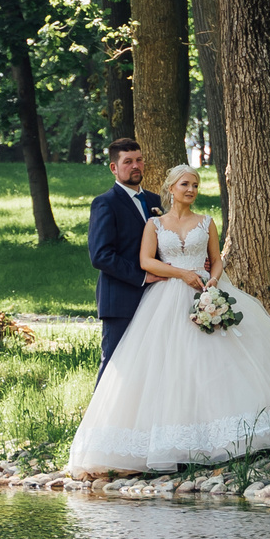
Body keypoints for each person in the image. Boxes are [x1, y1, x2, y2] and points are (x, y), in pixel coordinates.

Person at [65, 163, 270, 473]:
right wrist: (181, 273)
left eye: (195, 185)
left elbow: (217, 259)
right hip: (168, 296)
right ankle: (169, 442)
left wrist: (213, 280)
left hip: (205, 290)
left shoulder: (206, 222)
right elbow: (146, 261)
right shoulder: (154, 224)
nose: (191, 190)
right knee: (172, 364)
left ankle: (228, 434)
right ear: (171, 188)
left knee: (216, 359)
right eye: (185, 184)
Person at [87, 138, 161, 371]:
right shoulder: (105, 203)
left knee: (150, 365)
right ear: (114, 167)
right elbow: (101, 255)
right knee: (115, 366)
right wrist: (143, 276)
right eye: (128, 161)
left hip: (157, 298)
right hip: (120, 299)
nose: (135, 166)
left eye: (139, 160)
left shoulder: (156, 201)